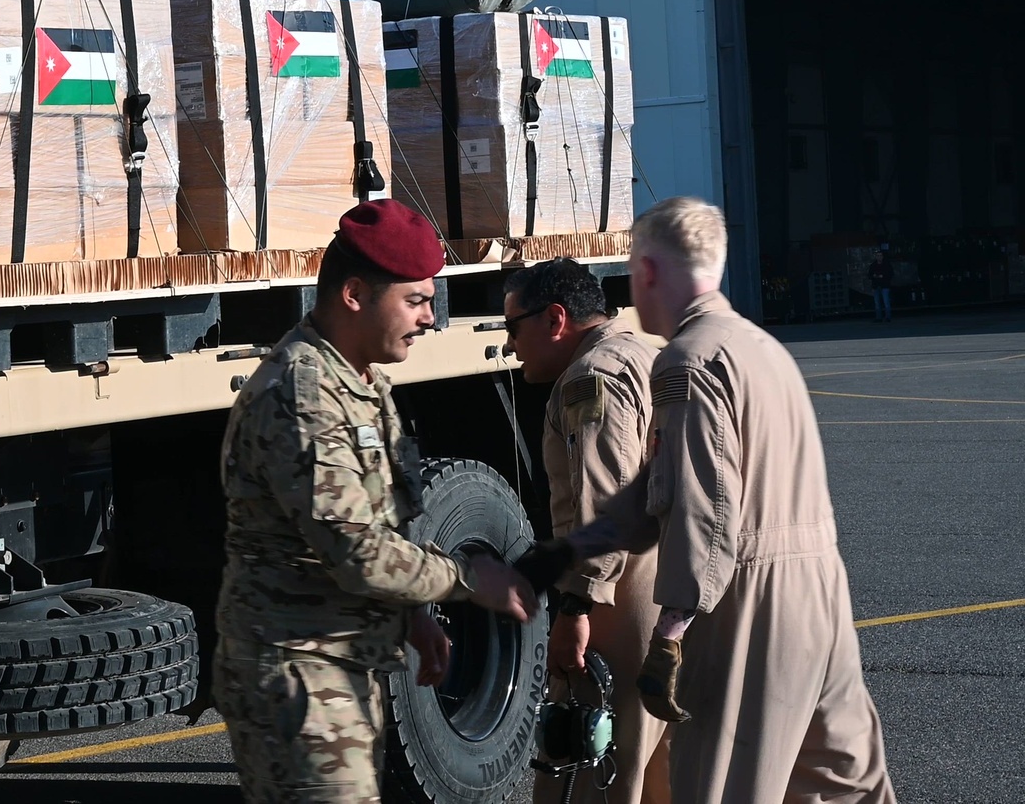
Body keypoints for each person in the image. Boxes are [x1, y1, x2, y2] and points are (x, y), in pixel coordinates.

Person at [519, 197, 895, 804]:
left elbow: (702, 506)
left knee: (715, 787)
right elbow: (653, 488)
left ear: (646, 272)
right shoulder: (763, 347)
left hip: (751, 600)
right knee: (838, 785)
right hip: (822, 594)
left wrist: (670, 633)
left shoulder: (687, 362)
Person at [215, 200, 539, 803]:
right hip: (298, 668)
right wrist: (469, 580)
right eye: (415, 300)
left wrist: (414, 614)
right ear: (356, 295)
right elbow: (357, 551)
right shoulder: (302, 396)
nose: (431, 319)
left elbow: (381, 518)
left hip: (339, 663)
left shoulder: (364, 384)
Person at [502, 258, 670, 804]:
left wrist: (577, 610)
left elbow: (604, 504)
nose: (509, 345)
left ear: (555, 319)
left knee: (590, 767)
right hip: (673, 579)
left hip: (623, 592)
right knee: (661, 769)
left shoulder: (589, 378)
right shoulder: (645, 350)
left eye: (513, 327)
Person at [868, 246, 892, 323]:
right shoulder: (873, 265)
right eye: (877, 256)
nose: (879, 257)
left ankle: (888, 317)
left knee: (886, 302)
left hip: (885, 286)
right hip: (876, 286)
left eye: (880, 255)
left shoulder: (887, 265)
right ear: (876, 257)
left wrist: (883, 276)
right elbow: (869, 275)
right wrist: (874, 276)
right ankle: (879, 318)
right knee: (877, 303)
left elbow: (891, 274)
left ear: (882, 256)